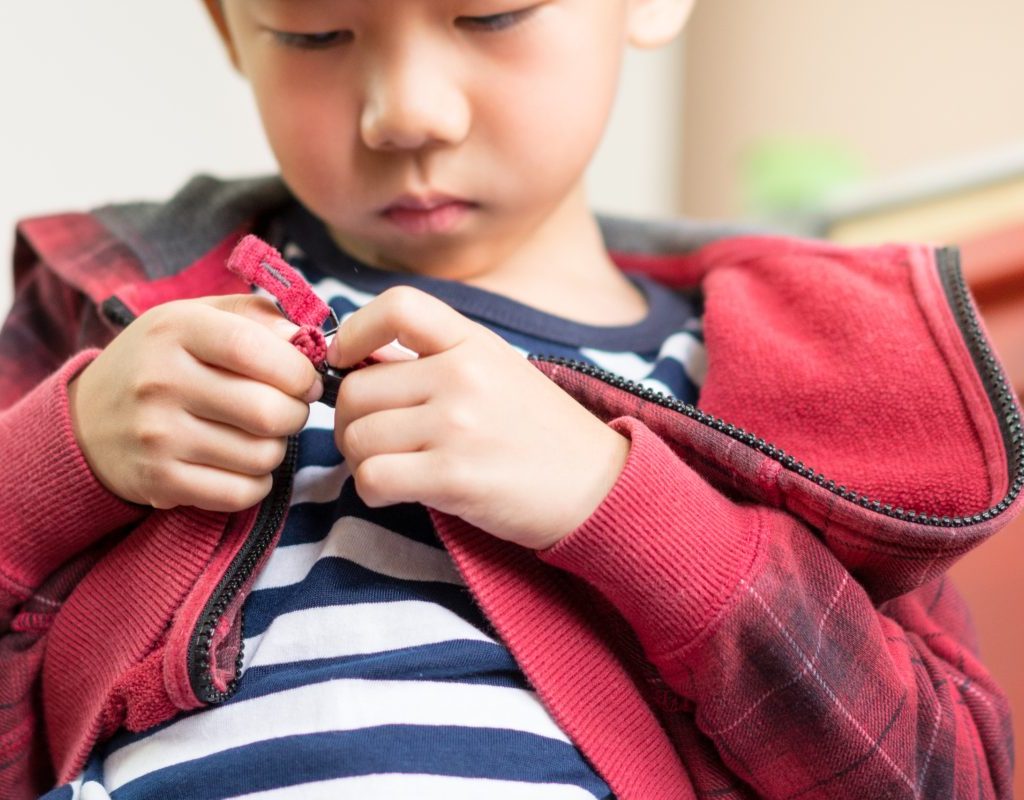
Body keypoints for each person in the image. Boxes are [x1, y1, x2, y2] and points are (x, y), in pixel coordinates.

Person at [1, 0, 1021, 797]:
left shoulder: (806, 378)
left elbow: (946, 773)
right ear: (229, 26)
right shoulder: (110, 324)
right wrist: (61, 459)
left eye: (489, 15)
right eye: (315, 30)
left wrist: (619, 506)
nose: (406, 112)